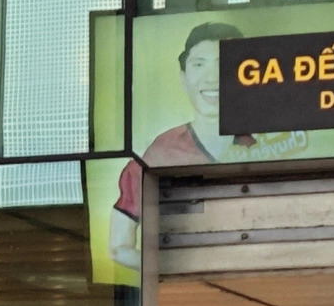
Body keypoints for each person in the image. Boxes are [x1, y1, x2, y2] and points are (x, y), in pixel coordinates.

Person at [109, 23, 254, 266]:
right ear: (183, 78)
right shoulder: (157, 155)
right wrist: (181, 268)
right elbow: (118, 248)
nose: (212, 77)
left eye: (224, 63)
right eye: (199, 64)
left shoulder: (270, 143)